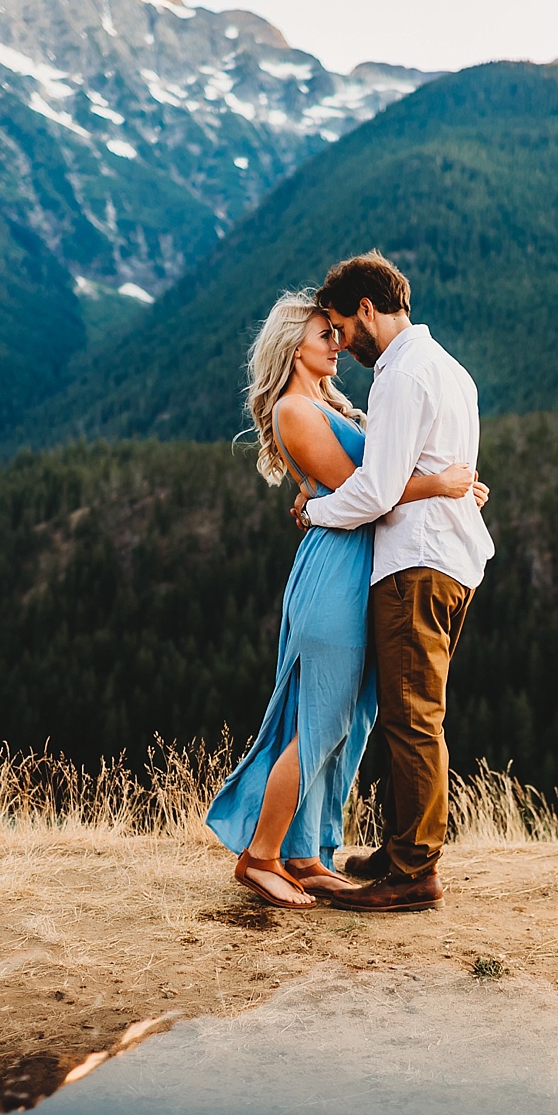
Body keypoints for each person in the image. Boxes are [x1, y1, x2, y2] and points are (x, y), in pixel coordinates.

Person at [205, 289, 488, 909]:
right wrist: (439, 484)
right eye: (324, 334)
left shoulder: (331, 405)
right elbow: (364, 489)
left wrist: (446, 490)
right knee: (320, 719)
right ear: (291, 347)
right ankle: (260, 857)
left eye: (336, 330)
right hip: (335, 571)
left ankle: (306, 855)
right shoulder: (294, 411)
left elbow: (382, 477)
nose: (338, 342)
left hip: (363, 566)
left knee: (350, 722)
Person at [293, 251, 495, 913]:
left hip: (416, 564)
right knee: (412, 714)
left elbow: (377, 489)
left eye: (343, 329)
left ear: (367, 310)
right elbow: (448, 469)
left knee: (411, 719)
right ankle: (405, 845)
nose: (343, 345)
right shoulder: (450, 370)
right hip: (450, 560)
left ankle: (414, 871)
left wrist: (315, 510)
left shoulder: (401, 377)